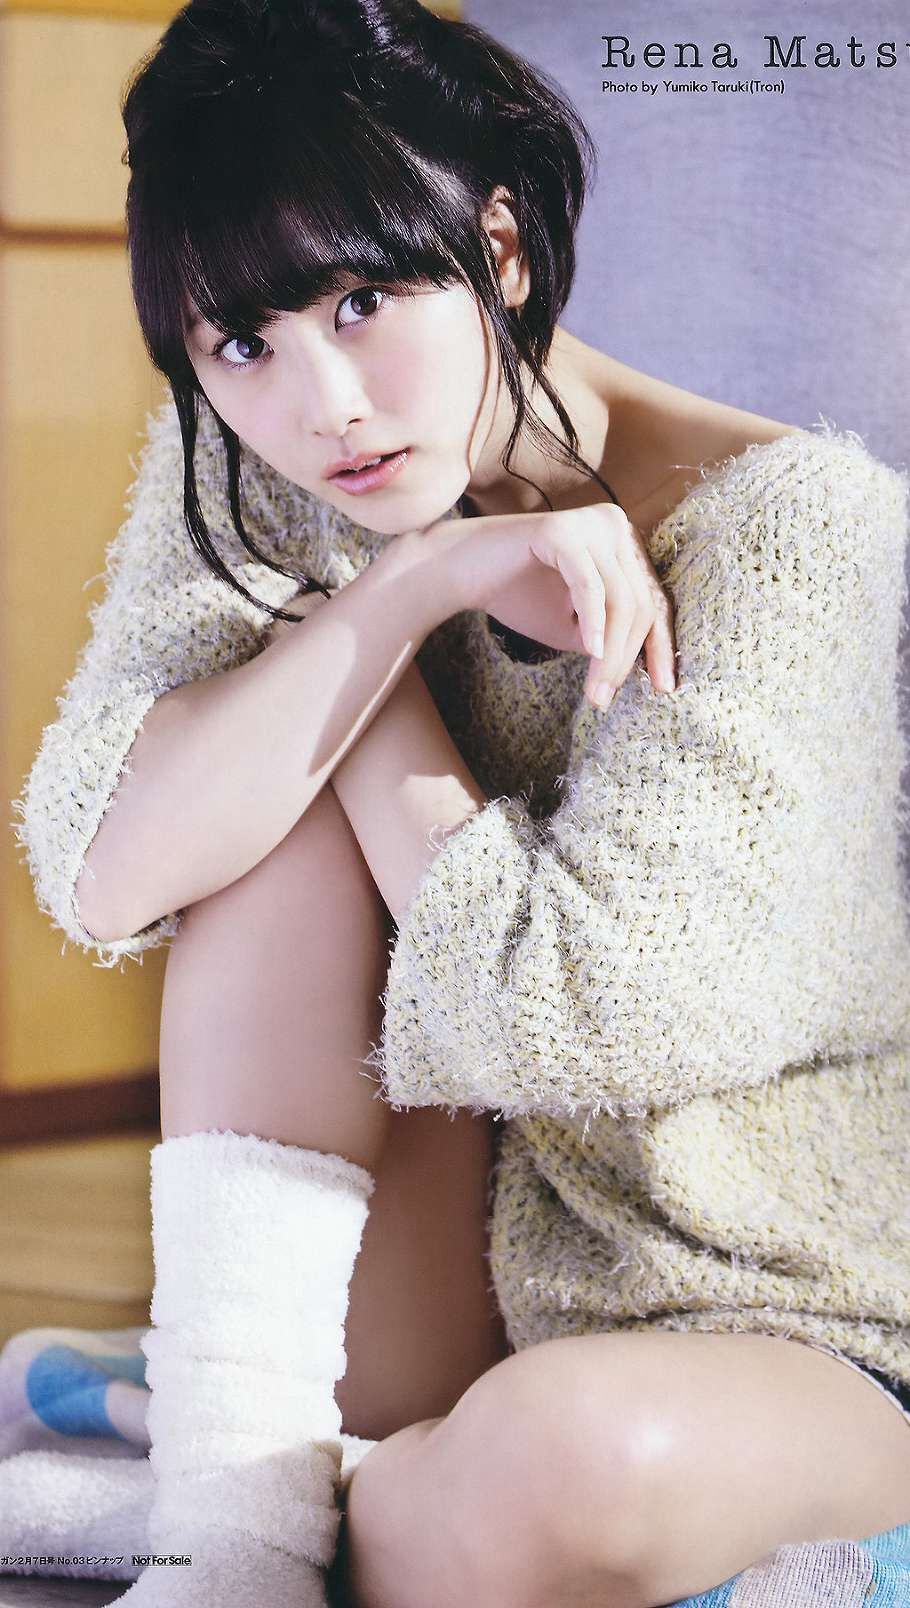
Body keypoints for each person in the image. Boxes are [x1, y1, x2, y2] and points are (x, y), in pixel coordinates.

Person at [11, 0, 910, 1604]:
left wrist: (355, 677)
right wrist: (398, 593)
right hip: (473, 1273)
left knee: (565, 1473)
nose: (324, 404)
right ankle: (235, 1524)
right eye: (241, 343)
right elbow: (105, 866)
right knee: (249, 787)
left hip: (793, 1311)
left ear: (496, 248)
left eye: (364, 301)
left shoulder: (786, 523)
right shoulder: (263, 464)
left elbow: (589, 1023)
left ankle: (240, 1496)